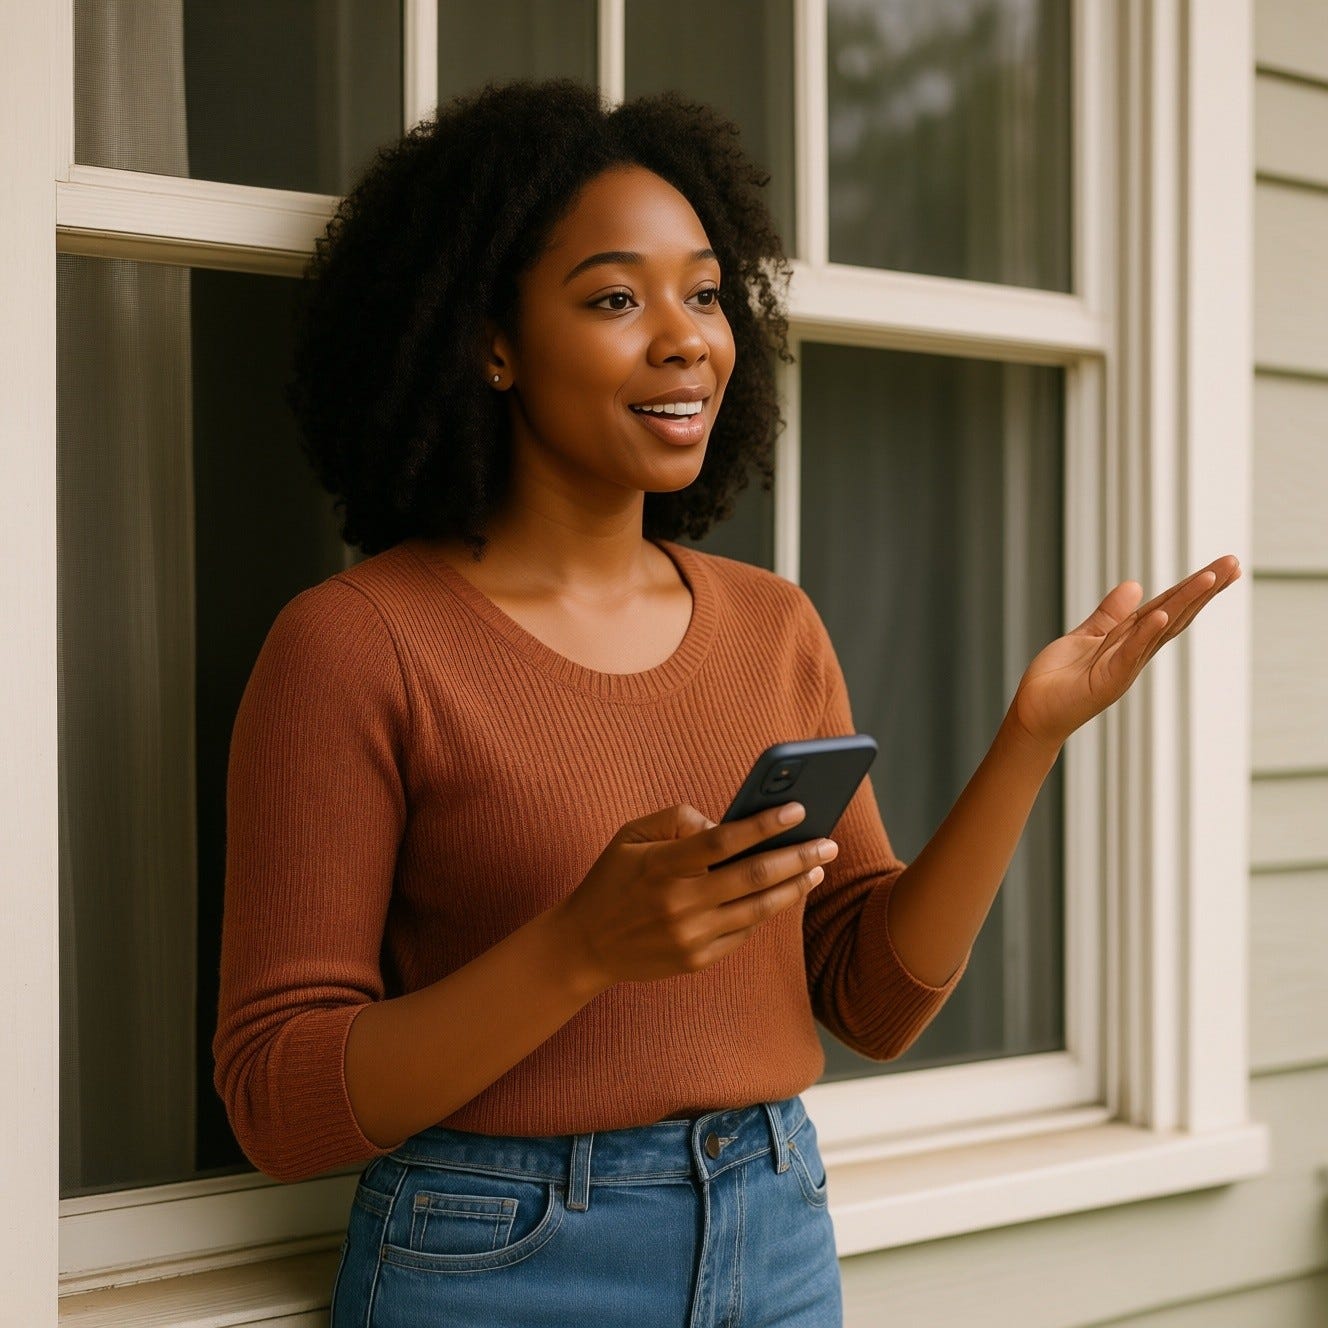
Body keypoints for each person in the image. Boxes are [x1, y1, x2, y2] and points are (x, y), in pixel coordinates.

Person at [212, 78, 1241, 1327]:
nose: (684, 336)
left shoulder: (772, 625)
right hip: (497, 1260)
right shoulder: (356, 645)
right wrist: (580, 946)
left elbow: (869, 996)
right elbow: (277, 1095)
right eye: (612, 298)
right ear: (489, 339)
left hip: (775, 1227)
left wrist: (1027, 740)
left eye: (702, 292)